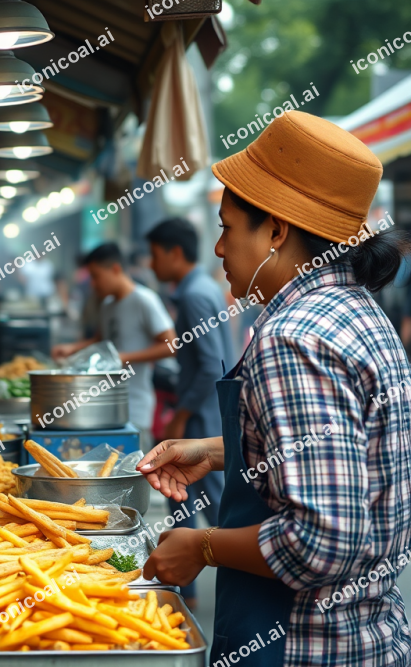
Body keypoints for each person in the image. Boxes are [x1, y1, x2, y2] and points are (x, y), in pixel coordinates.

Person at [138, 111, 411, 666]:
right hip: (368, 638)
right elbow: (346, 456)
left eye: (226, 228)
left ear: (277, 231)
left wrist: (202, 546)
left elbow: (323, 539)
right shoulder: (358, 312)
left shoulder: (293, 337)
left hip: (305, 645)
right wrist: (220, 453)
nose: (218, 250)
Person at [146, 217, 231, 609]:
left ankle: (236, 576)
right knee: (182, 497)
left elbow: (212, 365)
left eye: (154, 254)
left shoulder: (195, 294)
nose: (150, 263)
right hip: (199, 411)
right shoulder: (200, 288)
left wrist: (181, 415)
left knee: (215, 504)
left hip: (200, 416)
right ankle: (185, 589)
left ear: (174, 253)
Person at [52, 243, 176, 451]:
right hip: (105, 407)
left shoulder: (144, 300)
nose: (92, 283)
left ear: (116, 269)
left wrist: (124, 357)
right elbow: (101, 341)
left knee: (137, 474)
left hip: (135, 408)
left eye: (96, 276)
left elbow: (171, 345)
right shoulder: (107, 305)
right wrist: (72, 348)